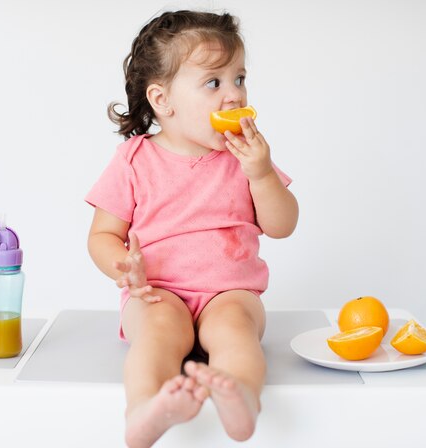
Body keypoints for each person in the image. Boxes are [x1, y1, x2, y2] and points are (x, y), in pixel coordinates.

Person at [86, 10, 299, 448]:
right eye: (214, 83)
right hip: (156, 291)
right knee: (159, 331)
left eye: (239, 78)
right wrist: (124, 266)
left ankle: (241, 395)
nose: (235, 96)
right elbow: (102, 234)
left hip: (231, 292)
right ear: (163, 100)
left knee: (235, 329)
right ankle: (144, 408)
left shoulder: (246, 158)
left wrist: (261, 174)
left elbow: (282, 225)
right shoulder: (134, 160)